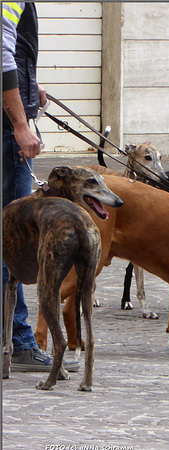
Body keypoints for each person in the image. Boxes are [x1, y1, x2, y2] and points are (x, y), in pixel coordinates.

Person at [2, 2, 79, 372]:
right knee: (13, 240)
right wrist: (19, 122)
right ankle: (16, 342)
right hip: (5, 130)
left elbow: (11, 54)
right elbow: (1, 57)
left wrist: (32, 86)